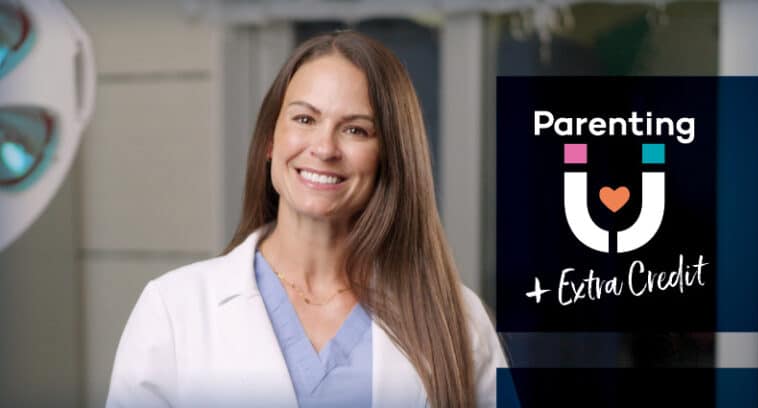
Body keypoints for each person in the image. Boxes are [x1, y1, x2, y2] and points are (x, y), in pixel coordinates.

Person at [106, 31, 506, 408]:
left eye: (355, 129)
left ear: (391, 157)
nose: (324, 147)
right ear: (270, 140)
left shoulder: (457, 318)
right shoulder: (173, 309)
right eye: (304, 119)